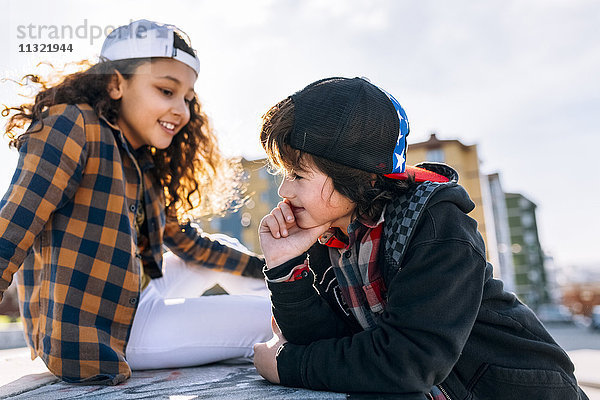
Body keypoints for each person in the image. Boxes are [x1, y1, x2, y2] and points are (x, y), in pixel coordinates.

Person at [254, 77, 589, 399]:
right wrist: (285, 266)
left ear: (356, 174)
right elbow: (329, 347)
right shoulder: (326, 239)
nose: (284, 190)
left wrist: (285, 365)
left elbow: (409, 363)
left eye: (298, 174)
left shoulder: (434, 225)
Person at [0, 20, 271, 385]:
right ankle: (296, 326)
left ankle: (289, 302)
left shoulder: (141, 162)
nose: (182, 110)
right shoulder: (72, 125)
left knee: (231, 252)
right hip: (99, 333)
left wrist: (272, 270)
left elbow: (189, 244)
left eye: (188, 98)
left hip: (133, 299)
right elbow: (13, 225)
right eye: (166, 90)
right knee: (266, 316)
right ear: (115, 83)